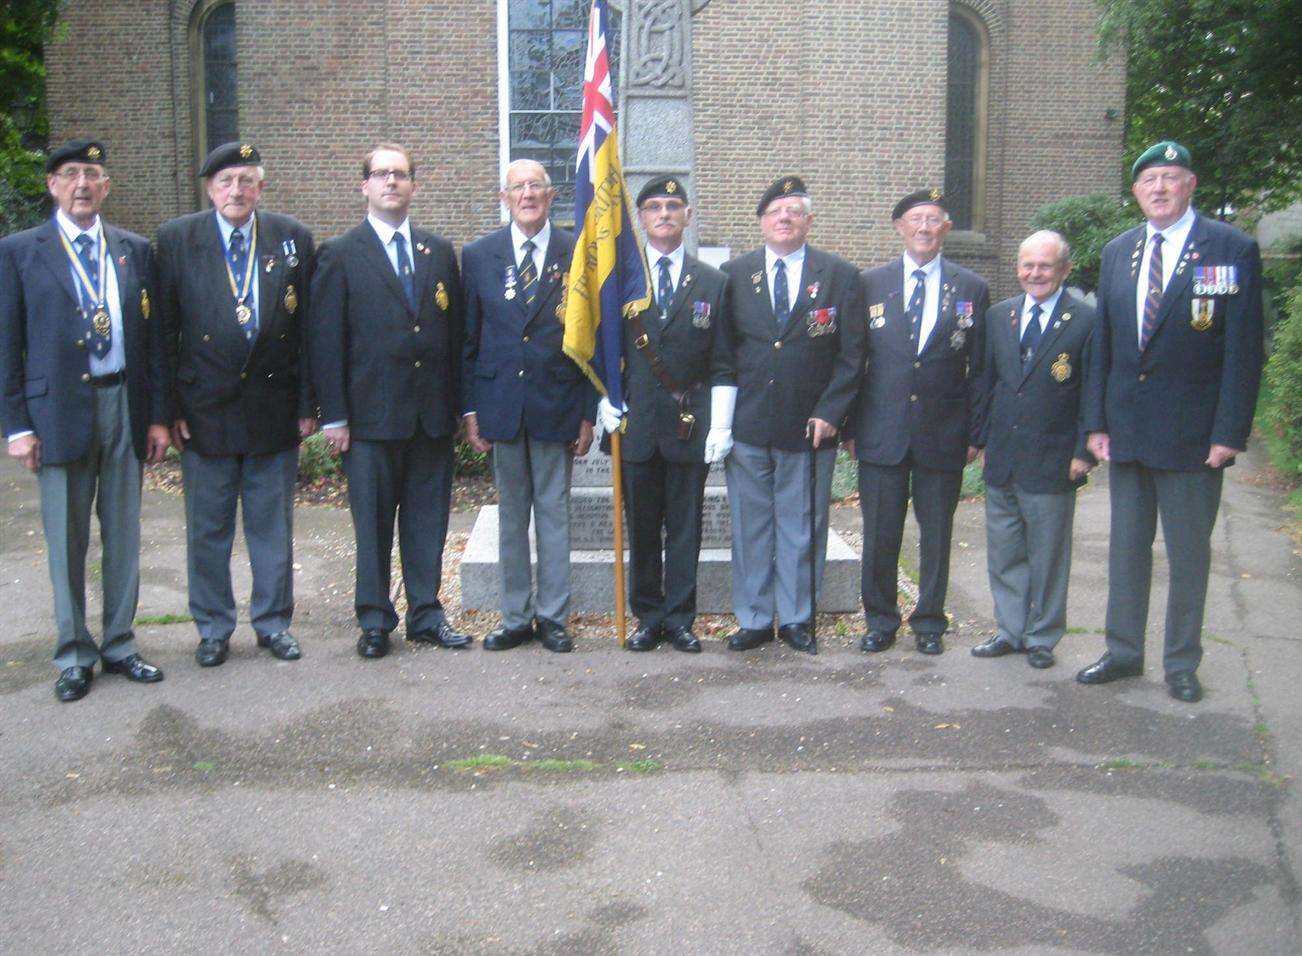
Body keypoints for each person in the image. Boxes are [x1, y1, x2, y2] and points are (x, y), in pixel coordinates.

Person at [1080, 141, 1264, 703]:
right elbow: (1104, 345)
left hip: (1193, 435)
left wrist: (1230, 432)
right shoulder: (1119, 251)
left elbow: (1243, 348)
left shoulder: (1230, 248)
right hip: (1128, 430)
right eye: (1148, 179)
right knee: (1127, 549)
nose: (1158, 187)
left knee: (1188, 555)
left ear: (1191, 185)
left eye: (1170, 177)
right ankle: (1123, 651)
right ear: (1135, 190)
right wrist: (1096, 422)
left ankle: (1181, 661)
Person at [0, 139, 170, 702]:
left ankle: (121, 643)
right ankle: (75, 653)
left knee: (123, 531)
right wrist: (16, 426)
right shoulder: (21, 251)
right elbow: (7, 345)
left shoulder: (132, 249)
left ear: (106, 186)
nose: (81, 184)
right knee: (67, 538)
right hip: (58, 412)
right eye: (70, 174)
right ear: (51, 185)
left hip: (123, 401)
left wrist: (156, 417)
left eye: (92, 174)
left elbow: (152, 343)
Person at [156, 142, 316, 667]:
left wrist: (309, 403)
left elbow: (308, 331)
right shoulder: (178, 240)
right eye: (226, 182)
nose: (237, 191)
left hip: (273, 407)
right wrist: (166, 407)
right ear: (210, 189)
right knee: (209, 527)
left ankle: (272, 624)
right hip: (205, 411)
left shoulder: (291, 238)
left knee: (272, 526)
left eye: (247, 181)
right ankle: (213, 627)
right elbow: (162, 333)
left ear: (260, 188)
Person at [310, 143, 469, 660]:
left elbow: (455, 336)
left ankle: (426, 613)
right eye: (381, 175)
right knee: (374, 525)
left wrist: (461, 409)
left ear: (413, 186)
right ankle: (375, 619)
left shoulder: (438, 251)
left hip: (429, 416)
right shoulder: (340, 253)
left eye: (400, 175)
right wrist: (333, 414)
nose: (391, 183)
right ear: (365, 186)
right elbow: (326, 339)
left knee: (427, 522)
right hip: (370, 418)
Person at [714, 176, 866, 655]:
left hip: (810, 426)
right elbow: (723, 353)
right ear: (761, 221)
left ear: (809, 221)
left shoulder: (840, 276)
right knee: (751, 526)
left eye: (794, 211)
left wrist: (832, 412)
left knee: (803, 526)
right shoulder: (735, 276)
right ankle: (755, 618)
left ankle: (798, 618)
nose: (784, 218)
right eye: (776, 211)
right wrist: (723, 421)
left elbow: (852, 355)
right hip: (750, 424)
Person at [846, 189, 990, 656]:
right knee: (879, 534)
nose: (924, 228)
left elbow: (981, 368)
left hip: (943, 433)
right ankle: (880, 620)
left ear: (946, 229)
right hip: (880, 431)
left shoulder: (971, 287)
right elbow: (853, 360)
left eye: (934, 220)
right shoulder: (869, 284)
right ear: (900, 228)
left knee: (938, 534)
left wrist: (976, 432)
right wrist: (849, 426)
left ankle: (929, 620)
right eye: (915, 219)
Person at [460, 160, 593, 653]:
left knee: (555, 514)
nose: (528, 194)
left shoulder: (576, 250)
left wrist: (586, 411)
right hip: (501, 406)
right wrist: (469, 408)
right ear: (504, 197)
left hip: (557, 403)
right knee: (511, 516)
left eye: (536, 185)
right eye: (519, 187)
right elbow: (468, 339)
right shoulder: (478, 256)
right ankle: (515, 616)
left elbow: (590, 339)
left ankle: (553, 617)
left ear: (551, 193)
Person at [597, 175, 729, 653]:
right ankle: (648, 618)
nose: (664, 214)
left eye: (673, 205)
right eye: (653, 206)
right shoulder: (622, 282)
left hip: (688, 424)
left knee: (686, 527)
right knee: (644, 527)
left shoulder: (714, 282)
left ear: (688, 216)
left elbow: (722, 361)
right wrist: (603, 400)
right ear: (641, 218)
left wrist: (722, 424)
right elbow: (604, 349)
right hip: (638, 426)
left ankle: (680, 619)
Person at [971, 230, 1095, 670]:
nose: (1035, 273)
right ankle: (1009, 629)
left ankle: (1042, 636)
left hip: (1055, 457)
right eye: (1028, 265)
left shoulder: (1084, 320)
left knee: (1047, 555)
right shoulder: (999, 315)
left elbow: (1092, 391)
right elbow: (986, 382)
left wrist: (1085, 451)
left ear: (1063, 270)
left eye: (1045, 266)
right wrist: (981, 439)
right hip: (1003, 456)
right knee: (1005, 551)